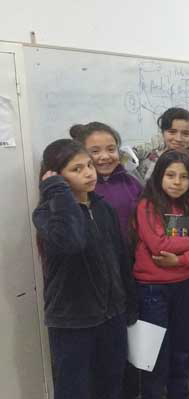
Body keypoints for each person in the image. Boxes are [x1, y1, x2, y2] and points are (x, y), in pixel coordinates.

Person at [32, 139, 137, 399]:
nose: (89, 172)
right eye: (76, 169)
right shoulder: (47, 213)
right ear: (56, 176)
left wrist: (129, 303)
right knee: (74, 387)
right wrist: (57, 192)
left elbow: (121, 258)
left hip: (112, 313)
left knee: (112, 381)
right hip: (72, 319)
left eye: (88, 165)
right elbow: (70, 241)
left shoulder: (103, 208)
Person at [132, 149, 189, 399]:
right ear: (159, 177)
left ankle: (180, 394)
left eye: (183, 177)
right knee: (153, 354)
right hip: (151, 289)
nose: (177, 182)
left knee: (181, 350)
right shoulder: (147, 206)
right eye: (170, 175)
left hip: (185, 287)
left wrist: (180, 258)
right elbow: (157, 244)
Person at [70, 122, 142, 237]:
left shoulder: (132, 183)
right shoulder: (77, 189)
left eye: (111, 149)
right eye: (95, 151)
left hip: (134, 252)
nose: (105, 156)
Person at [135, 107, 189, 203]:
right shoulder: (149, 161)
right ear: (162, 133)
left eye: (186, 134)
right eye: (172, 132)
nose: (178, 138)